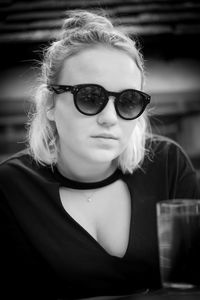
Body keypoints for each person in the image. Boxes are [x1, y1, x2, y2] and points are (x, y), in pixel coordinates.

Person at [0, 9, 199, 300]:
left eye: (128, 101)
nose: (110, 118)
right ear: (50, 105)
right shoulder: (11, 188)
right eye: (89, 96)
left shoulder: (168, 164)